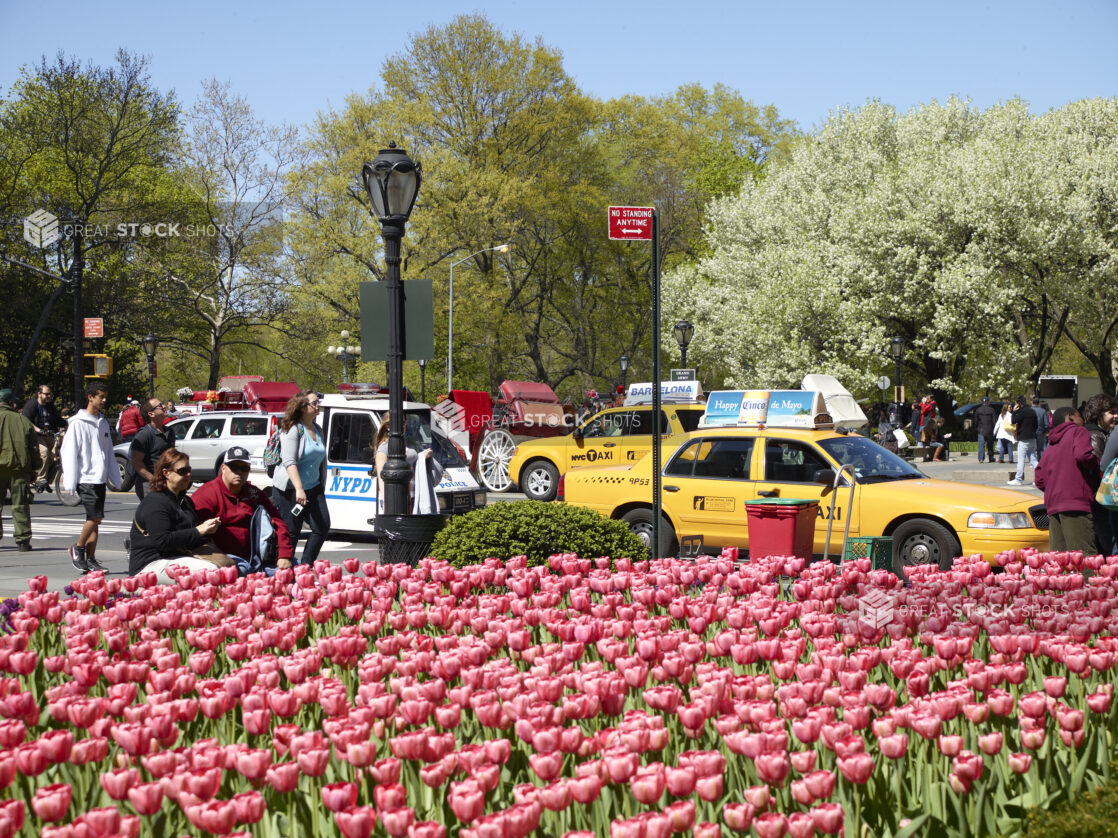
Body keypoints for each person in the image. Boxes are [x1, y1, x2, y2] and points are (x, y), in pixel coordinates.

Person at [128, 449, 230, 582]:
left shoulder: (184, 501)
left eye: (189, 470)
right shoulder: (155, 502)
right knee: (210, 572)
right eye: (182, 471)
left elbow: (191, 537)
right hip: (149, 564)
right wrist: (198, 530)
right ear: (166, 473)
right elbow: (162, 541)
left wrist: (208, 530)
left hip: (177, 558)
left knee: (233, 566)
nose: (188, 475)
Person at [191, 445, 294, 572]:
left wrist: (284, 554)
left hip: (259, 556)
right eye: (234, 467)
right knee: (243, 570)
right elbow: (193, 531)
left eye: (244, 468)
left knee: (295, 568)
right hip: (225, 558)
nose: (239, 472)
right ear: (223, 468)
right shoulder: (207, 494)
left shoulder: (254, 494)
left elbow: (277, 521)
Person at [60, 381, 122, 573]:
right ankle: (78, 549)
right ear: (90, 397)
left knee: (96, 519)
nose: (104, 400)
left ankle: (91, 558)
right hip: (85, 477)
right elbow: (69, 452)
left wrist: (114, 477)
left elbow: (108, 451)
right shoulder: (77, 423)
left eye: (105, 397)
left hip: (99, 478)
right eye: (100, 397)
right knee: (94, 517)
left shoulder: (102, 422)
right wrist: (70, 480)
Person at [271, 391, 330, 565]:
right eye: (314, 403)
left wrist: (319, 485)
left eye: (318, 402)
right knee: (292, 530)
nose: (317, 405)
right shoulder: (293, 429)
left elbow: (320, 461)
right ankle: (284, 570)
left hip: (313, 487)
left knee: (322, 527)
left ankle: (305, 567)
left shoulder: (317, 429)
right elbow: (290, 462)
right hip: (290, 489)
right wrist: (299, 488)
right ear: (304, 407)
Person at [1034, 407, 1100, 555]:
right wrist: (1097, 464)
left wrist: (1056, 487)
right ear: (1071, 417)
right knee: (1084, 556)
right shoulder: (1078, 431)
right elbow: (1083, 456)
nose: (1083, 420)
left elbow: (1039, 478)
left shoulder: (1051, 442)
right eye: (1079, 416)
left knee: (1059, 560)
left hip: (1053, 504)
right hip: (1076, 502)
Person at [373, 413, 442, 514]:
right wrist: (387, 501)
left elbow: (415, 460)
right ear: (388, 427)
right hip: (395, 498)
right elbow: (382, 478)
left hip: (414, 494)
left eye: (404, 423)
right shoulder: (384, 448)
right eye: (398, 423)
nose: (403, 426)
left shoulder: (410, 442)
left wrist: (424, 456)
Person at [0, 388, 41, 552]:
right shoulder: (23, 421)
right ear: (12, 403)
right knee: (20, 505)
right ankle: (23, 541)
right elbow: (33, 448)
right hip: (19, 468)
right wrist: (34, 469)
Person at [1084, 393, 1118, 556]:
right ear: (1099, 414)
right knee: (1108, 547)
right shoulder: (1096, 435)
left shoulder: (1101, 434)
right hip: (1102, 501)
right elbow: (1101, 467)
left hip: (1102, 500)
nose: (1116, 416)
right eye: (1111, 412)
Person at [130, 398, 175, 499]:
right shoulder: (144, 434)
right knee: (153, 513)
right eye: (160, 406)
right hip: (149, 485)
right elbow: (136, 462)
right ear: (151, 414)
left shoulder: (170, 431)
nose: (164, 406)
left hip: (167, 482)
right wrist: (153, 479)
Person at [21, 384, 63, 491]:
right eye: (46, 394)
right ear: (39, 394)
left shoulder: (50, 406)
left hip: (49, 435)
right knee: (44, 452)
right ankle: (40, 479)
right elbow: (26, 421)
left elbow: (59, 420)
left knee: (56, 456)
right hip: (35, 435)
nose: (49, 396)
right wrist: (38, 430)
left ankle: (47, 481)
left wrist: (68, 426)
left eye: (50, 394)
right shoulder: (32, 404)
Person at [1008, 395, 1039, 486]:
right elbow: (1036, 424)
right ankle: (1042, 476)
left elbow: (1013, 421)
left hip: (1024, 438)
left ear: (1019, 403)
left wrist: (1014, 411)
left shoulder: (1022, 412)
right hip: (1032, 438)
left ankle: (1018, 479)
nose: (1015, 405)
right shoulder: (1032, 411)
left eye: (1016, 403)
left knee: (1021, 459)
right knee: (1033, 459)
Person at [973, 396, 998, 464]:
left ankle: (981, 458)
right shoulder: (991, 410)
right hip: (989, 429)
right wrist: (995, 429)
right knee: (990, 444)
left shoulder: (978, 410)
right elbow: (994, 420)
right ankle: (991, 457)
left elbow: (975, 420)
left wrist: (976, 427)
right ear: (988, 402)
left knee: (981, 444)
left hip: (981, 429)